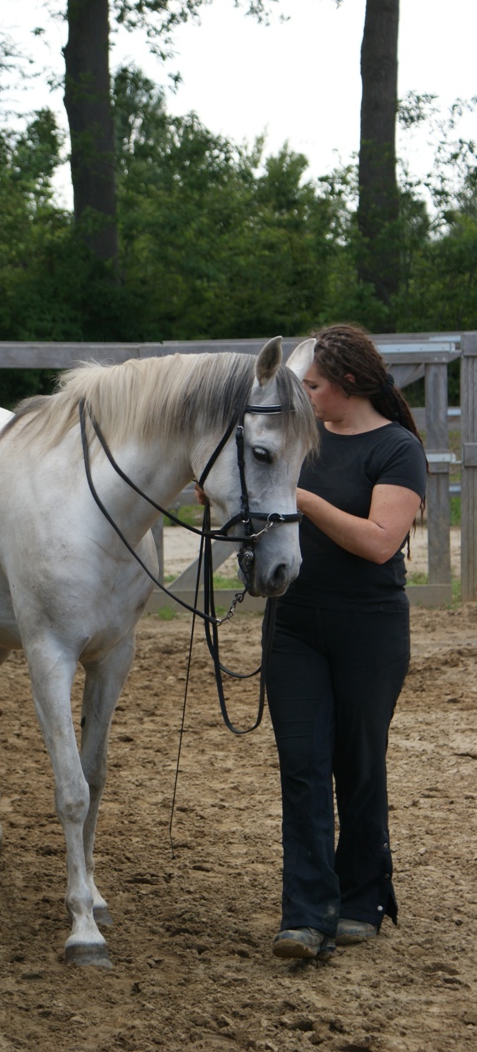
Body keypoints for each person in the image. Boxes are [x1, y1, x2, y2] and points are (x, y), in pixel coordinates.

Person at [265, 324, 428, 960]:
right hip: (295, 625)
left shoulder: (397, 449)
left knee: (358, 762)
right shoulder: (295, 442)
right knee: (303, 768)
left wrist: (300, 498)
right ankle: (305, 912)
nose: (301, 398)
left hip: (370, 626)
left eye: (311, 386)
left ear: (349, 384)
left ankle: (362, 896)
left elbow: (379, 541)